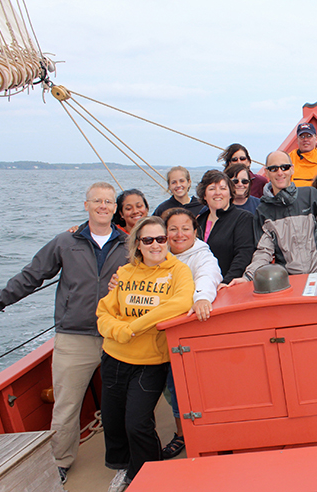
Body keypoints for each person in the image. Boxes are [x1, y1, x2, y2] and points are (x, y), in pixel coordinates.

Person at [0, 182, 128, 485]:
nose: (103, 206)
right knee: (66, 407)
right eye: (97, 201)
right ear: (86, 205)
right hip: (74, 337)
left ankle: (129, 461)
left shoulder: (130, 245)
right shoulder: (65, 242)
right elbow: (31, 276)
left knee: (128, 404)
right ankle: (60, 462)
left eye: (109, 202)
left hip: (118, 335)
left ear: (115, 208)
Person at [97, 216, 194, 491]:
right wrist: (118, 331)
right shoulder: (125, 272)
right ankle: (124, 469)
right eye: (148, 240)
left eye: (161, 239)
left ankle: (151, 475)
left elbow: (180, 302)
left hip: (150, 362)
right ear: (137, 244)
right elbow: (104, 311)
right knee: (113, 421)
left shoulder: (179, 272)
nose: (155, 245)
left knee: (137, 423)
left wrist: (132, 328)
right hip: (114, 357)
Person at [228, 151, 317, 286]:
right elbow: (263, 252)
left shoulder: (310, 195)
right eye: (273, 168)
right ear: (267, 173)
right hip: (288, 284)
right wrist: (247, 277)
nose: (280, 172)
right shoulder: (263, 211)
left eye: (285, 167)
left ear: (292, 169)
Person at [160, 208, 222, 460]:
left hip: (187, 332)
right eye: (173, 229)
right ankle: (182, 432)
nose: (179, 234)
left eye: (185, 228)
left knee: (182, 386)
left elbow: (209, 276)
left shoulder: (201, 255)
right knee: (168, 387)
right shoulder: (156, 254)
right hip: (159, 332)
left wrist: (202, 298)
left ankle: (186, 434)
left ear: (195, 231)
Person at [194, 170, 255, 287]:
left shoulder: (243, 218)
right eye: (212, 189)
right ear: (204, 195)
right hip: (200, 287)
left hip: (228, 286)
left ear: (230, 193)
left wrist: (227, 282)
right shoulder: (198, 222)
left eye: (223, 188)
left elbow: (243, 254)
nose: (218, 193)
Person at [289, 122, 317, 187]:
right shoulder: (289, 159)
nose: (305, 139)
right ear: (297, 140)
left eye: (309, 136)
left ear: (316, 139)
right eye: (302, 136)